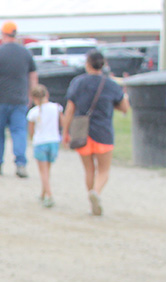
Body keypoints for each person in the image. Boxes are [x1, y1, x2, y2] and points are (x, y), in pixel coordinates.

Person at [61, 49, 130, 216]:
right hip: (103, 132)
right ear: (103, 64)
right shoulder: (111, 84)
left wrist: (65, 132)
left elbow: (70, 110)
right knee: (104, 170)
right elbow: (124, 108)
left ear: (87, 64)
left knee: (89, 169)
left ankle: (91, 199)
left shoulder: (77, 83)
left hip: (82, 131)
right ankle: (96, 192)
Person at [0, 21, 37, 177]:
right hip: (19, 100)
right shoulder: (26, 53)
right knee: (19, 132)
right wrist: (31, 95)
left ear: (3, 34)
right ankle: (20, 164)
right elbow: (33, 76)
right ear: (15, 34)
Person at [26, 84, 63, 207]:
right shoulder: (56, 108)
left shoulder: (33, 112)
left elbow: (31, 130)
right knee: (48, 170)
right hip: (54, 141)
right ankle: (43, 193)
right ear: (47, 94)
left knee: (43, 172)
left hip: (40, 142)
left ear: (33, 98)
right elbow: (61, 122)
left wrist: (32, 139)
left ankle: (49, 195)